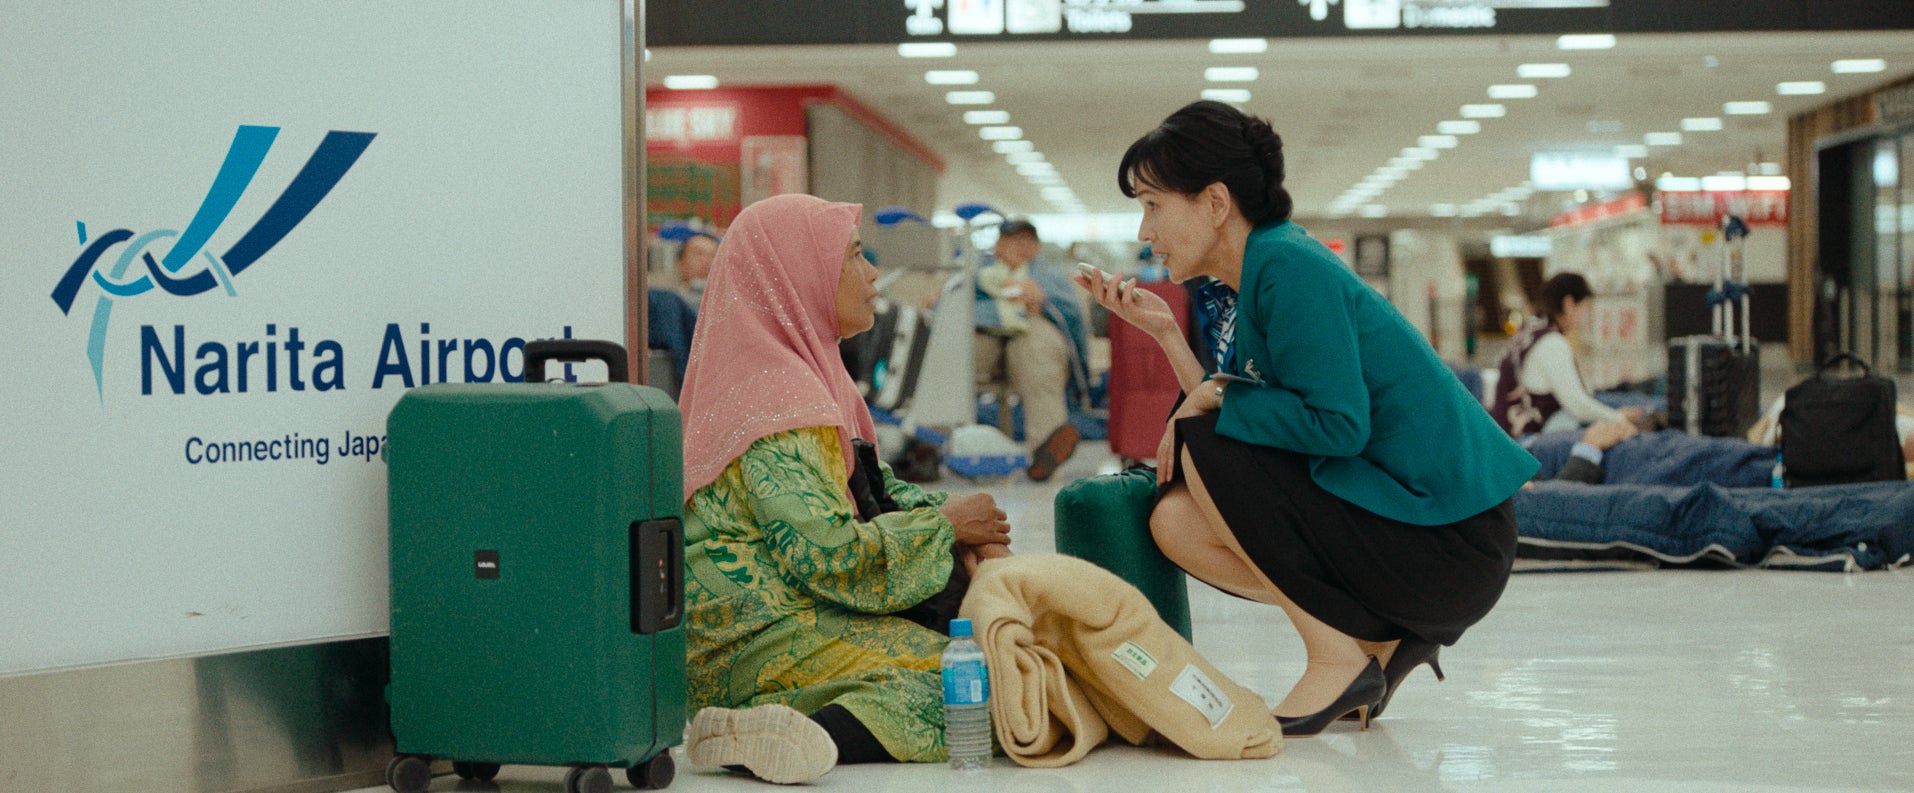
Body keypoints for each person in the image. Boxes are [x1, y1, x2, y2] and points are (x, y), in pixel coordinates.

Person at [1079, 100, 1538, 737]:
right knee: (1176, 519)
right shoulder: (1264, 271)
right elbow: (1247, 426)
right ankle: (1372, 644)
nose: (1144, 231)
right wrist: (1167, 338)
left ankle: (1337, 656)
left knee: (1201, 437)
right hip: (1416, 528)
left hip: (1455, 540)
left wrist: (1207, 401)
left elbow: (1332, 425)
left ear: (1215, 202)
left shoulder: (1289, 267)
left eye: (1153, 205)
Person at [674, 194, 1014, 783]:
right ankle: (763, 728)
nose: (874, 272)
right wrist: (947, 526)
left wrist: (958, 517)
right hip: (751, 635)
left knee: (984, 666)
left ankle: (776, 722)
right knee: (985, 684)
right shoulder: (779, 400)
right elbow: (828, 555)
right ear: (796, 276)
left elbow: (864, 492)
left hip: (762, 621)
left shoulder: (802, 374)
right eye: (854, 256)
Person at [974, 218, 1082, 480]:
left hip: (1030, 337)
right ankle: (931, 440)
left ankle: (1048, 446)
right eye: (1014, 239)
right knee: (957, 351)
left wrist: (1043, 301)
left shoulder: (1049, 277)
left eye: (1029, 241)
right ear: (998, 244)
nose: (1022, 246)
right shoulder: (975, 272)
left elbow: (1073, 316)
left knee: (1035, 349)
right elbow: (949, 302)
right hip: (983, 337)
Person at [1490, 273, 1637, 437]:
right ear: (1569, 304)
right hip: (1527, 440)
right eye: (1584, 309)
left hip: (1507, 434)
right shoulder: (1551, 342)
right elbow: (1577, 404)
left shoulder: (1528, 331)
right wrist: (1618, 418)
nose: (1584, 318)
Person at [675, 231, 720, 304]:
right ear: (680, 264)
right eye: (698, 253)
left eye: (713, 255)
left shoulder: (727, 303)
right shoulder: (669, 303)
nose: (706, 261)